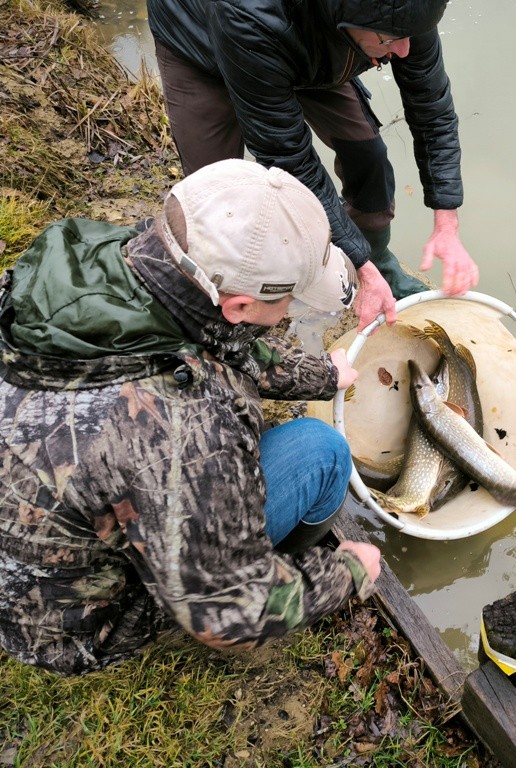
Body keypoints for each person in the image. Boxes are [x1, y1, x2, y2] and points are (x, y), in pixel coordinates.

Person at [0, 159, 381, 676]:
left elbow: (211, 342)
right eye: (289, 299)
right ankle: (275, 566)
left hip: (37, 537)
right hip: (65, 626)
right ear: (241, 305)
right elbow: (223, 614)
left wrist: (322, 376)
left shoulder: (110, 263)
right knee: (322, 453)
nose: (290, 309)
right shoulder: (187, 434)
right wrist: (347, 574)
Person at [146, 0, 480, 330]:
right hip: (200, 41)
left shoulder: (404, 14)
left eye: (410, 35)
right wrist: (360, 268)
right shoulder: (251, 16)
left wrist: (446, 224)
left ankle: (380, 263)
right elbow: (291, 160)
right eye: (391, 40)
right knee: (220, 207)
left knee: (368, 155)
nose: (405, 50)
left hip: (314, 43)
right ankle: (230, 314)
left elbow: (432, 110)